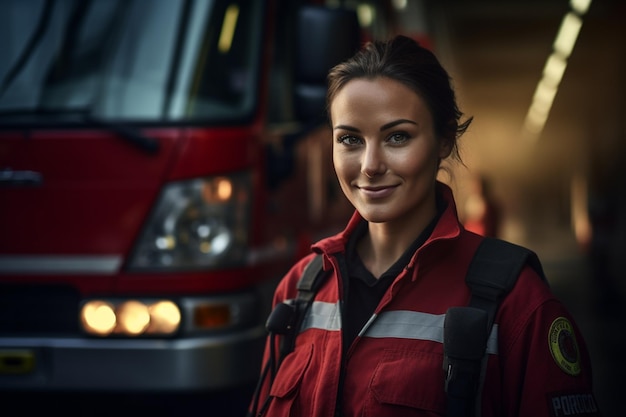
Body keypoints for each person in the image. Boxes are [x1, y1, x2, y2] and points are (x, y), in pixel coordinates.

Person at [249, 35, 599, 417]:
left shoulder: (518, 304)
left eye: (397, 136)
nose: (369, 165)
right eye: (349, 139)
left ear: (444, 141)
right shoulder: (299, 291)